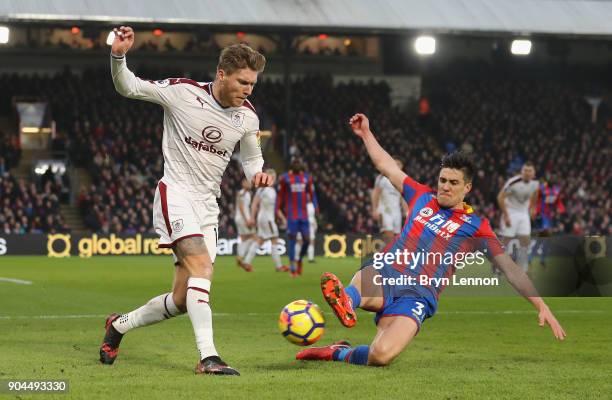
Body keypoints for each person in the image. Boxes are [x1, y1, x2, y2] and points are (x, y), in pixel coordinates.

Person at [296, 113, 566, 367]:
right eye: (442, 180)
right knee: (373, 272)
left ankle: (337, 351)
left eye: (453, 182)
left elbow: (510, 269)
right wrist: (366, 133)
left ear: (467, 188)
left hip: (419, 296)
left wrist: (541, 305)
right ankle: (348, 299)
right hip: (388, 273)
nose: (445, 186)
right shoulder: (421, 196)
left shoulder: (477, 227)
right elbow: (386, 166)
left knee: (381, 355)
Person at [99, 26, 273, 376]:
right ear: (221, 74)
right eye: (242, 82)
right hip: (175, 193)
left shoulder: (248, 117)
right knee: (202, 268)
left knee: (181, 300)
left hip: (208, 206)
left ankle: (118, 326)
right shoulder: (182, 93)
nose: (248, 90)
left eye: (252, 84)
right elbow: (129, 86)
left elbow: (251, 158)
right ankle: (208, 357)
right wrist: (119, 56)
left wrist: (258, 173)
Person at [275, 157, 318, 276]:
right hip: (291, 216)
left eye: (298, 163)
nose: (297, 165)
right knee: (292, 240)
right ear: (291, 165)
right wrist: (276, 210)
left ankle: (299, 260)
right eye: (295, 163)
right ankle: (293, 266)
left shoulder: (307, 178)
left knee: (307, 240)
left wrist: (316, 207)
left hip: (304, 216)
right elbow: (280, 196)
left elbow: (312, 194)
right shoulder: (285, 178)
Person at [243, 168, 289, 271]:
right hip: (268, 219)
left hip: (261, 218)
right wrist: (283, 219)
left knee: (260, 240)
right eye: (274, 177)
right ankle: (279, 266)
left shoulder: (260, 189)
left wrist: (252, 217)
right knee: (274, 240)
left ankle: (246, 262)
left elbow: (255, 204)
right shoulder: (270, 191)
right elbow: (275, 209)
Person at [497, 162, 539, 272]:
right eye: (525, 170)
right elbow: (500, 197)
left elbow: (535, 195)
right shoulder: (513, 182)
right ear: (521, 172)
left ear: (533, 173)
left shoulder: (535, 184)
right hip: (510, 211)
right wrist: (506, 216)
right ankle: (497, 265)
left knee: (525, 240)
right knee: (506, 240)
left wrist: (533, 209)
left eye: (530, 171)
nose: (527, 173)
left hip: (524, 213)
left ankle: (523, 269)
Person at [530, 176, 565, 267]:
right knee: (544, 238)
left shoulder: (555, 190)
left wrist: (560, 210)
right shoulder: (542, 189)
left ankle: (537, 259)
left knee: (544, 239)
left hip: (549, 217)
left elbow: (558, 202)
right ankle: (535, 259)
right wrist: (533, 209)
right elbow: (535, 197)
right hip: (542, 216)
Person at [371, 159, 408, 243]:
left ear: (402, 166)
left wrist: (406, 211)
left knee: (396, 236)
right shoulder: (383, 177)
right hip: (384, 210)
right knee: (388, 234)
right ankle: (386, 254)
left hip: (396, 211)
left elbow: (402, 198)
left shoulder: (402, 181)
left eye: (399, 164)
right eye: (395, 163)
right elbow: (376, 192)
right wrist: (374, 209)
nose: (397, 165)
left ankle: (389, 254)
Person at [234, 178, 256, 272]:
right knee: (255, 237)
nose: (250, 184)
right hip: (243, 218)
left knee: (244, 238)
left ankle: (240, 258)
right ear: (243, 183)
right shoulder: (242, 193)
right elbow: (241, 207)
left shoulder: (247, 194)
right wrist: (247, 219)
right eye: (248, 182)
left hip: (241, 218)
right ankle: (242, 257)